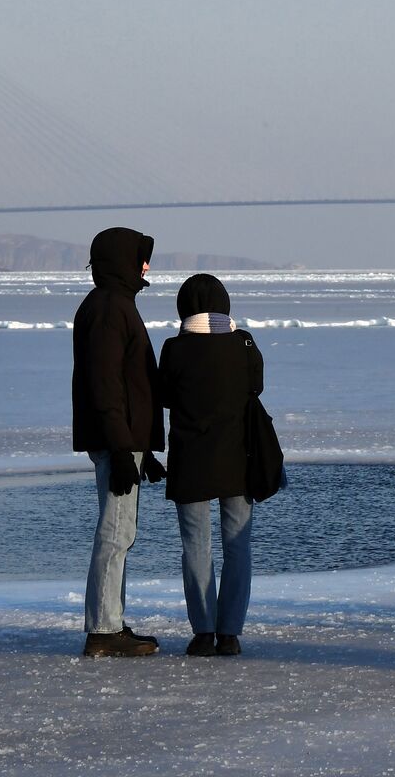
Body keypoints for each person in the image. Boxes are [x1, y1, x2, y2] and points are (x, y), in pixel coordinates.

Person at [158, 274, 264, 657]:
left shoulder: (174, 348)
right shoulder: (243, 344)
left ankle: (203, 632)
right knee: (238, 547)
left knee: (196, 547)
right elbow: (257, 386)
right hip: (238, 459)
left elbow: (165, 397)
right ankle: (230, 634)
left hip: (190, 462)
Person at [72, 227, 166, 658]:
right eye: (140, 258)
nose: (146, 266)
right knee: (115, 532)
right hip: (116, 440)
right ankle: (104, 630)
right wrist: (122, 447)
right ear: (120, 260)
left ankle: (110, 621)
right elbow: (106, 384)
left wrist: (141, 450)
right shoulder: (110, 308)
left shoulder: (117, 304)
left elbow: (131, 385)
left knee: (121, 531)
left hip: (124, 440)